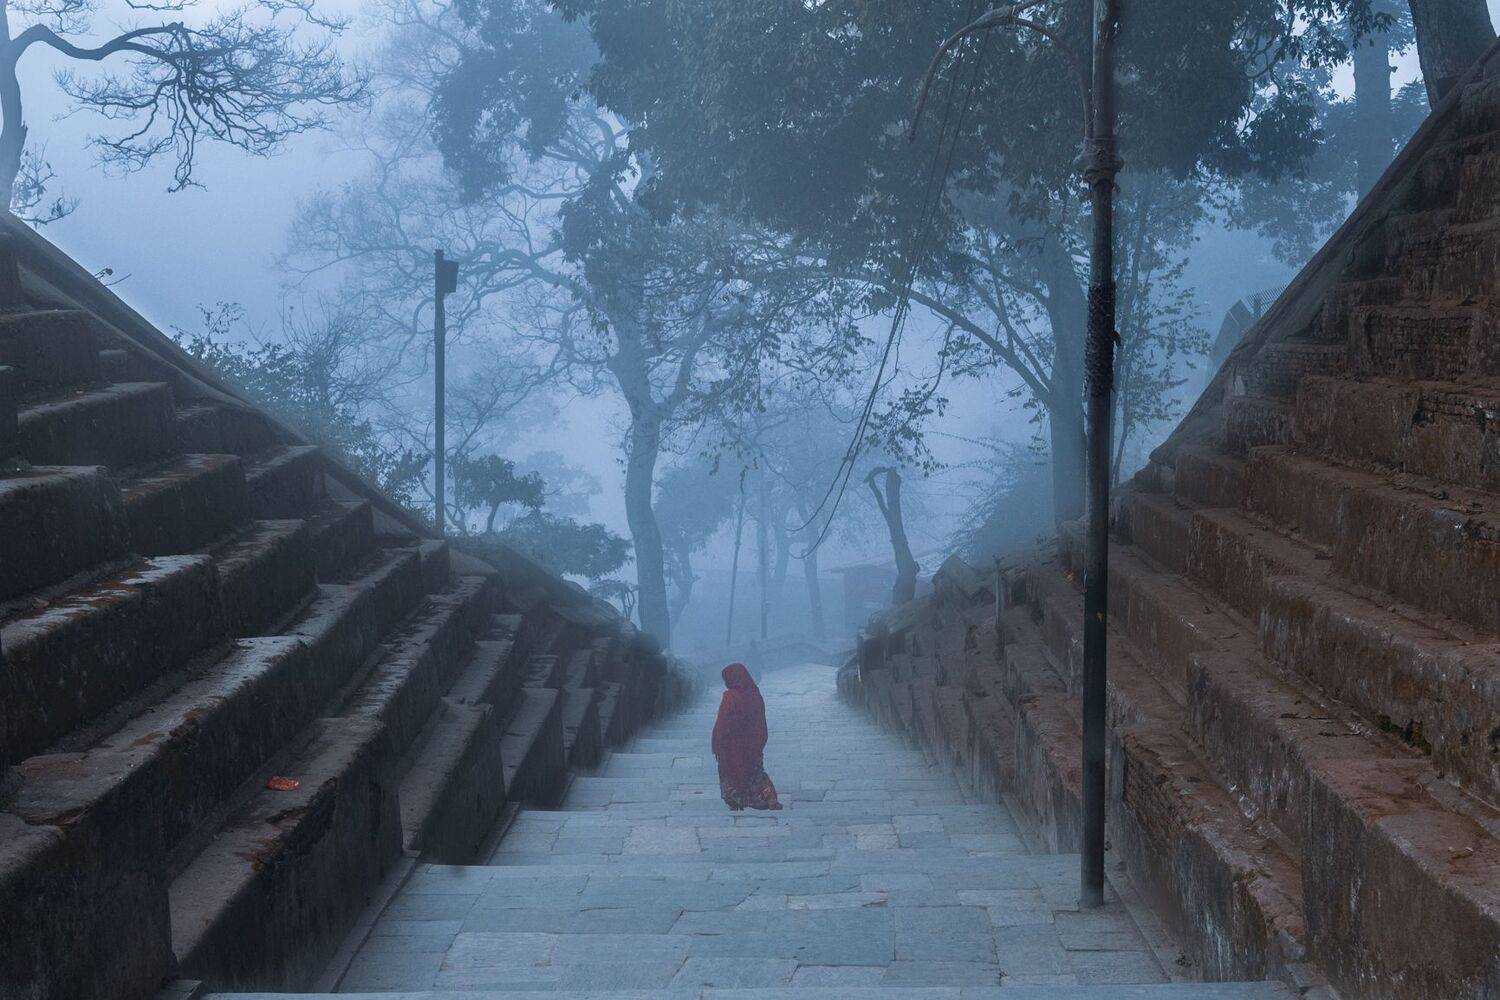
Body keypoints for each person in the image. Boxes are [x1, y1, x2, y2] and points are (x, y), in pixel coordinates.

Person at [710, 663, 782, 811]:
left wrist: (717, 743)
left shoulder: (729, 696)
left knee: (731, 773)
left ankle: (736, 800)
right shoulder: (755, 694)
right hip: (752, 743)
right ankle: (768, 797)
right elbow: (760, 720)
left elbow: (722, 722)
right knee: (755, 773)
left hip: (731, 745)